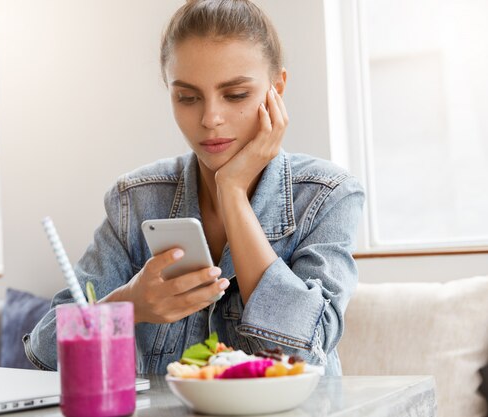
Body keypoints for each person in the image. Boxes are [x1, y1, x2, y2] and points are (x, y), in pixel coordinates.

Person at [24, 0, 364, 376]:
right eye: (187, 97)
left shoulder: (328, 196)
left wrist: (232, 192)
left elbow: (305, 349)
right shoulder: (135, 202)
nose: (210, 118)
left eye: (235, 95)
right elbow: (45, 352)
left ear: (276, 89)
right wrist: (129, 307)